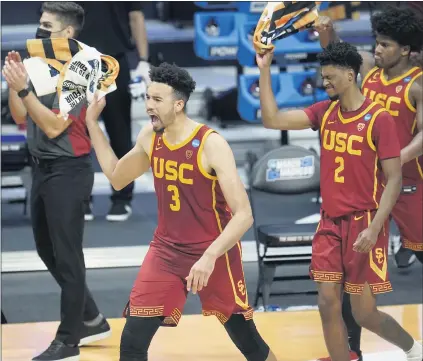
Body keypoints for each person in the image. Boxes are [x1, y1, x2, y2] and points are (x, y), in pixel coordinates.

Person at [85, 62, 278, 361]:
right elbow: (116, 176)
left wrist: (209, 257)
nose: (149, 106)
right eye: (147, 98)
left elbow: (244, 215)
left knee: (247, 341)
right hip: (166, 251)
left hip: (213, 253)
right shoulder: (151, 136)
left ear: (179, 104)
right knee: (132, 344)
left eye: (157, 100)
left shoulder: (211, 144)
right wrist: (92, 124)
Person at [257, 42, 423, 361]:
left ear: (350, 75)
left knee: (364, 314)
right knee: (326, 302)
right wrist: (264, 69)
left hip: (366, 223)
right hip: (330, 223)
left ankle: (414, 349)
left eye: (330, 77)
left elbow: (394, 180)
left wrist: (375, 229)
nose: (325, 83)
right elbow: (272, 119)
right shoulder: (324, 111)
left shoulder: (380, 119)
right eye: (323, 78)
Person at [2, 3, 111, 361]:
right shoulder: (37, 62)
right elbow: (21, 116)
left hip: (69, 169)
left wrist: (24, 90)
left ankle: (69, 341)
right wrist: (16, 83)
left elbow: (53, 126)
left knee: (68, 257)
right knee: (47, 251)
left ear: (67, 32)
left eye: (47, 25)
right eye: (39, 23)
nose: (39, 31)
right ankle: (92, 317)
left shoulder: (85, 65)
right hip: (41, 168)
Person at [314, 6, 423, 361]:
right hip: (374, 185)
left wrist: (396, 155)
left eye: (384, 44)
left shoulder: (418, 84)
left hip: (410, 182)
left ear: (405, 49)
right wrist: (326, 33)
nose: (376, 50)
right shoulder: (371, 73)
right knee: (350, 289)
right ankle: (351, 352)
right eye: (375, 43)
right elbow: (343, 60)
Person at [77, 2, 151, 222]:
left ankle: (122, 196)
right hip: (77, 63)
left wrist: (144, 60)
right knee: (78, 135)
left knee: (119, 132)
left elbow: (136, 16)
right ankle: (81, 198)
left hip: (114, 61)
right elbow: (57, 18)